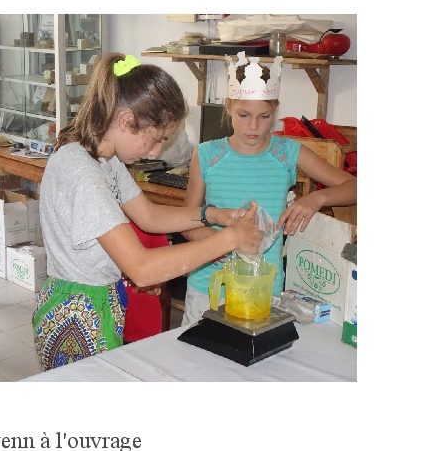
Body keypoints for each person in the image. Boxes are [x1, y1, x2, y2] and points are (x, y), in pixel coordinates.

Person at [33, 52, 262, 370]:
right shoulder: (82, 172)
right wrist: (229, 240)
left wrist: (213, 215)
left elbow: (149, 216)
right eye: (155, 140)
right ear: (126, 120)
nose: (155, 152)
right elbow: (141, 267)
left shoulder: (105, 159)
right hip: (76, 311)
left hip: (99, 300)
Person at [180, 57, 357, 325]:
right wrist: (215, 241)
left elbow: (355, 187)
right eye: (243, 115)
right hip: (209, 287)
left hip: (263, 290)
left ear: (274, 111)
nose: (253, 126)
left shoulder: (286, 153)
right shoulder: (206, 155)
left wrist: (317, 198)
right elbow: (188, 221)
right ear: (228, 106)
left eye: (264, 117)